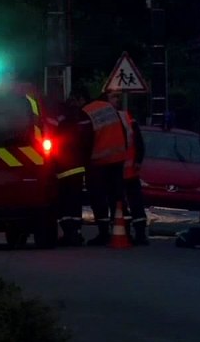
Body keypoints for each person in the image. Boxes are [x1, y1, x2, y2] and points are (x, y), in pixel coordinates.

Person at [83, 94, 132, 246]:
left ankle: (104, 233)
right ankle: (125, 230)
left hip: (99, 161)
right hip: (117, 158)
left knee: (98, 197)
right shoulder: (110, 108)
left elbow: (86, 138)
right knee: (117, 197)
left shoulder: (86, 111)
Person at [51, 88, 94, 245]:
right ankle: (75, 232)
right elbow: (89, 141)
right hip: (78, 166)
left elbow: (51, 139)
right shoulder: (82, 117)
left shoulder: (59, 118)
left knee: (64, 202)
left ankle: (69, 233)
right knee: (75, 201)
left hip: (62, 167)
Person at [109, 93, 148, 245]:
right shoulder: (122, 118)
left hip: (125, 169)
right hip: (121, 169)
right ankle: (127, 232)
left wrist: (138, 160)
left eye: (117, 97)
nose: (117, 100)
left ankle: (139, 233)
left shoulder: (126, 117)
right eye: (113, 97)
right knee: (123, 203)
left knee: (132, 202)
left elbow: (137, 140)